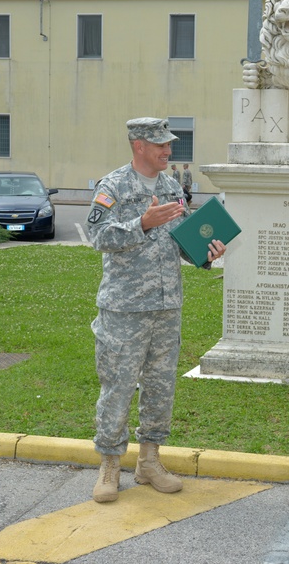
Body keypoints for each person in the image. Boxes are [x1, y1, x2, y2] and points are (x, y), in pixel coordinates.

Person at [86, 116, 226, 503]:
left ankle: (149, 461)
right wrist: (141, 223)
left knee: (161, 387)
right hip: (124, 309)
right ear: (139, 146)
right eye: (161, 144)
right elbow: (98, 236)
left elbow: (180, 242)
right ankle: (110, 466)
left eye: (169, 144)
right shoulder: (112, 186)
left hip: (167, 307)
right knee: (117, 387)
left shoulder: (170, 186)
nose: (169, 150)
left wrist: (207, 252)